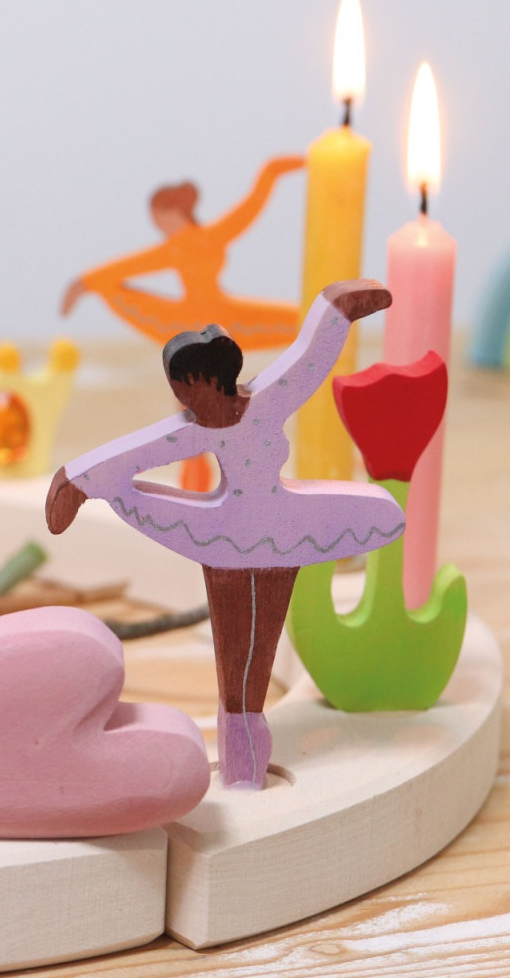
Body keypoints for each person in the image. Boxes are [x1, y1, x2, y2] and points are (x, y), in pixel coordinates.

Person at [47, 280, 405, 788]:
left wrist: (339, 309)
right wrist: (78, 482)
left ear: (211, 382)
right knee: (236, 659)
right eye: (178, 395)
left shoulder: (266, 402)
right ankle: (242, 749)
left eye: (187, 391)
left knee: (259, 648)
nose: (184, 402)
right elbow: (134, 455)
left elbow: (308, 361)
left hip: (280, 530)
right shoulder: (193, 430)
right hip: (224, 537)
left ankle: (245, 749)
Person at [62, 156, 303, 351]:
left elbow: (249, 208)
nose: (158, 224)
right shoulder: (177, 248)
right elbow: (126, 267)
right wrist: (84, 284)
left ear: (174, 212)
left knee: (302, 321)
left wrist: (271, 173)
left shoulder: (199, 241)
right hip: (192, 320)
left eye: (159, 218)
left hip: (221, 315)